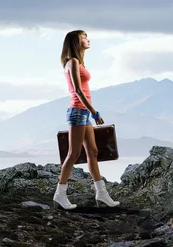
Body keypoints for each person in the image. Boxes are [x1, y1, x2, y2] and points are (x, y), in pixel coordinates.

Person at [53, 29, 120, 210]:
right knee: (73, 154)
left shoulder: (78, 62)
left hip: (82, 113)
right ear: (75, 42)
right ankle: (60, 194)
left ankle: (101, 194)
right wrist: (94, 112)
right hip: (77, 112)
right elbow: (77, 90)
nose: (88, 40)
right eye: (84, 38)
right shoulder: (72, 62)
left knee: (93, 151)